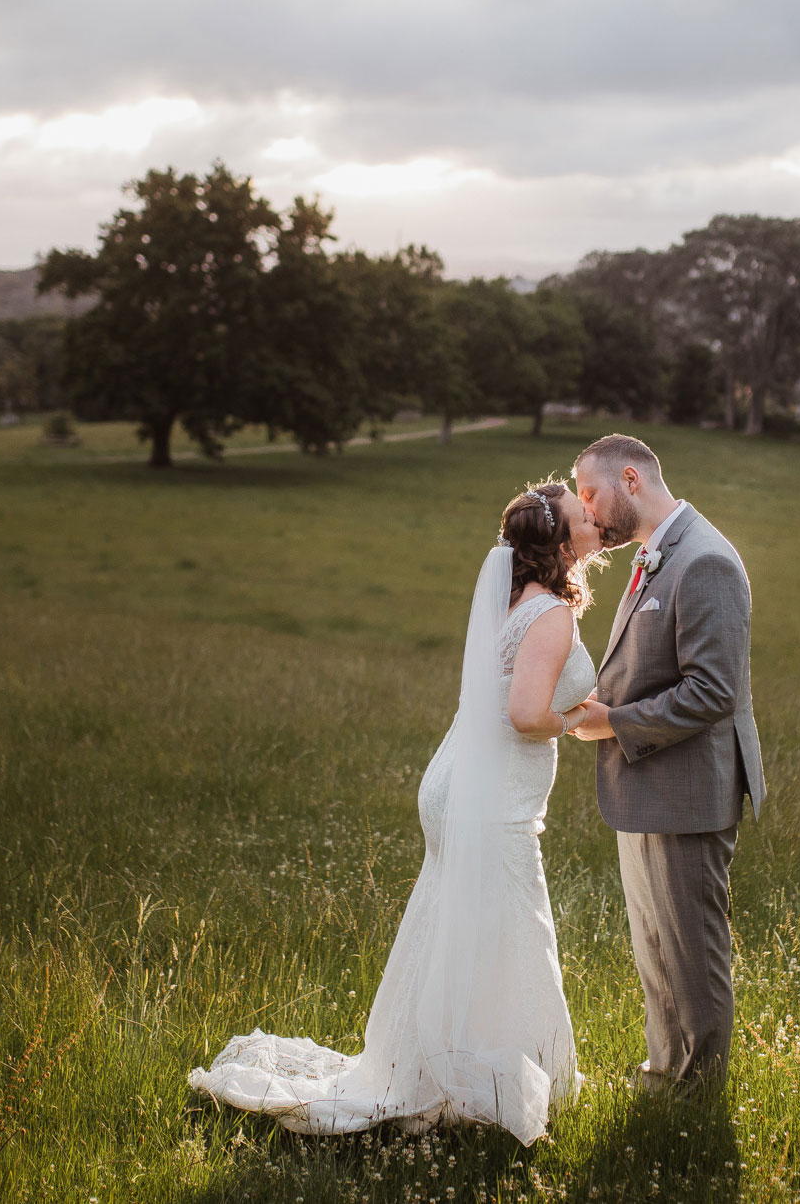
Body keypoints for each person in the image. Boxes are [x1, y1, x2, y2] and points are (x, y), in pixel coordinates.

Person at [188, 480, 605, 1145]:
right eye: (586, 515)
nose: (597, 518)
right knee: (512, 930)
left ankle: (450, 1068)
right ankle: (486, 1089)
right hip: (491, 799)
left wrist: (595, 717)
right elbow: (528, 714)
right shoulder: (552, 612)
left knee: (461, 928)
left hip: (459, 784)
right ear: (560, 540)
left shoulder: (513, 599)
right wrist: (580, 714)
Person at [568, 433, 764, 1093]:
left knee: (691, 955)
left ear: (631, 477)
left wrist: (612, 721)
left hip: (687, 794)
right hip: (648, 785)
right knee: (656, 953)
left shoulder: (704, 558)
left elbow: (713, 690)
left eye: (590, 493)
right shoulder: (660, 555)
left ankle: (698, 1098)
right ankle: (663, 1076)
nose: (586, 511)